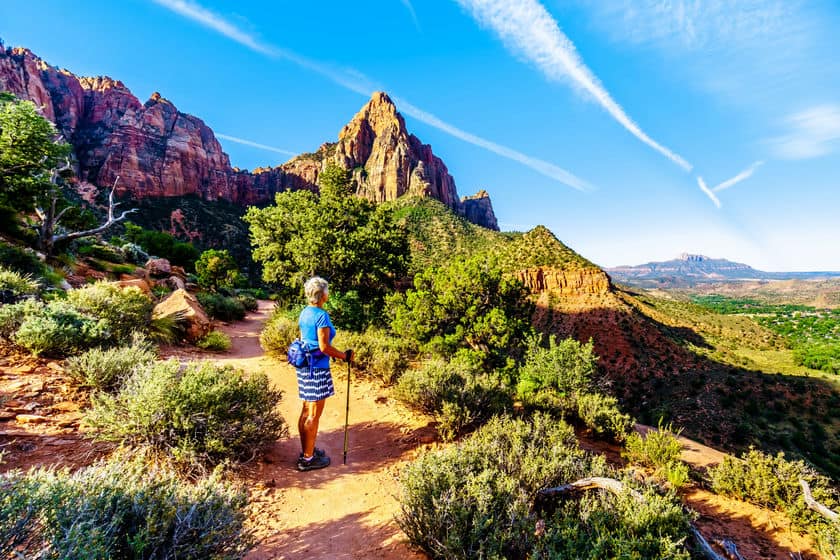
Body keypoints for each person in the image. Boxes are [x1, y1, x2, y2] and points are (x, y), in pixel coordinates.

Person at [295, 276, 352, 471]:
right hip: (316, 369)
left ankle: (306, 451)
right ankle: (308, 459)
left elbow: (305, 339)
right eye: (327, 290)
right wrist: (344, 356)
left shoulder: (304, 312)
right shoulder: (321, 315)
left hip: (304, 366)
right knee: (313, 414)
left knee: (305, 410)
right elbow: (324, 346)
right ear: (322, 294)